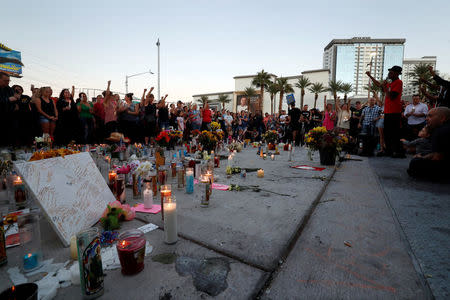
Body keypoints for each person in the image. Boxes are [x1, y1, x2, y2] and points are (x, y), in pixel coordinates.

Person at [366, 66, 404, 158]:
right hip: (387, 112)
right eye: (389, 72)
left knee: (394, 133)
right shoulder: (389, 83)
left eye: (391, 72)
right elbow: (379, 85)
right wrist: (370, 76)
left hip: (395, 112)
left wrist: (385, 87)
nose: (389, 74)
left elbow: (391, 96)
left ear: (396, 73)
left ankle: (397, 151)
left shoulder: (398, 82)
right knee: (387, 132)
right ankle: (388, 150)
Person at [407, 107, 450, 179]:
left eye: (430, 116)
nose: (426, 119)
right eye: (426, 116)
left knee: (415, 163)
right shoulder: (442, 128)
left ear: (443, 118)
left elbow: (437, 157)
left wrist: (422, 158)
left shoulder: (441, 131)